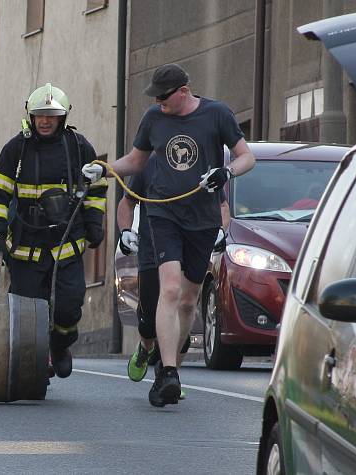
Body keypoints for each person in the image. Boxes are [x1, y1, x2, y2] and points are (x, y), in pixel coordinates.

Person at [83, 63, 255, 407]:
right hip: (163, 214)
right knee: (171, 287)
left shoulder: (217, 114)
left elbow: (246, 157)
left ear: (183, 91)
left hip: (202, 219)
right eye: (155, 97)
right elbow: (135, 160)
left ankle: (168, 360)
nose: (158, 101)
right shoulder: (153, 118)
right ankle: (168, 373)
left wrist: (226, 173)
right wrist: (102, 169)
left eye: (164, 96)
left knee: (189, 299)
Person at [0, 83, 107, 379]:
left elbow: (97, 188)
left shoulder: (79, 147)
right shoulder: (16, 149)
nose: (45, 120)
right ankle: (34, 365)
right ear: (31, 114)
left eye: (52, 115)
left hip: (66, 242)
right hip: (27, 244)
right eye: (40, 114)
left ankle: (61, 343)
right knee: (27, 312)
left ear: (63, 117)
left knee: (69, 304)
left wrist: (94, 223)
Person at [118, 153, 230, 393]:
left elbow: (221, 204)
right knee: (148, 321)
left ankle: (170, 376)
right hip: (152, 251)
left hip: (188, 250)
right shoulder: (149, 163)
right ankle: (146, 348)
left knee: (182, 310)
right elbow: (127, 202)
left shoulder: (201, 163)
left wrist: (221, 229)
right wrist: (125, 230)